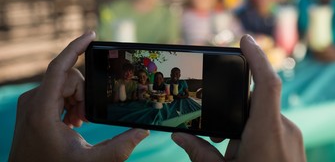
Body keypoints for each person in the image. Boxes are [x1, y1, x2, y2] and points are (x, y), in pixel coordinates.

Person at [9, 32, 305, 161]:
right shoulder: (148, 82)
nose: (170, 77)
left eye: (171, 76)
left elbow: (172, 92)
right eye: (167, 76)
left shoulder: (173, 84)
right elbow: (151, 90)